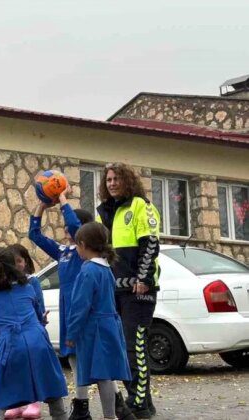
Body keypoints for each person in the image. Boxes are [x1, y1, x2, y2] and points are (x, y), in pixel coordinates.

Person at [96, 163, 160, 419]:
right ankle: (145, 402)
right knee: (122, 348)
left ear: (127, 180)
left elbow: (150, 244)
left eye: (116, 179)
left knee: (136, 347)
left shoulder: (140, 206)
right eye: (108, 179)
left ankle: (139, 404)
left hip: (139, 289)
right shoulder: (105, 212)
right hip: (115, 289)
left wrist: (143, 278)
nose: (111, 183)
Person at [28, 187, 96, 418]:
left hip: (82, 310)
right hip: (67, 310)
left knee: (89, 361)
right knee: (75, 359)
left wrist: (64, 200)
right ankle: (84, 404)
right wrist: (42, 206)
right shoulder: (64, 252)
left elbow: (77, 229)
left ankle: (85, 404)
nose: (66, 228)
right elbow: (35, 235)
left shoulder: (83, 252)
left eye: (71, 224)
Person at [0, 247, 68, 420]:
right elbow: (38, 316)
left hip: (11, 346)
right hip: (38, 342)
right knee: (51, 386)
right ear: (14, 267)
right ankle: (61, 416)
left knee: (1, 391)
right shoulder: (28, 289)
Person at [66, 223, 135, 420]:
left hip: (94, 330)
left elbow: (80, 306)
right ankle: (110, 416)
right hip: (110, 326)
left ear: (83, 244)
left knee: (102, 376)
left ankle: (109, 417)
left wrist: (71, 334)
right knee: (105, 375)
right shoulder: (106, 269)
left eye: (77, 245)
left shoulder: (88, 271)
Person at [2, 245, 47, 419]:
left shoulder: (32, 282)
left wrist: (41, 321)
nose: (16, 266)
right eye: (12, 262)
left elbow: (39, 306)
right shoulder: (5, 285)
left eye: (19, 261)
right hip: (13, 335)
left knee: (31, 368)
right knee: (15, 368)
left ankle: (34, 403)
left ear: (26, 262)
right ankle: (18, 404)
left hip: (31, 332)